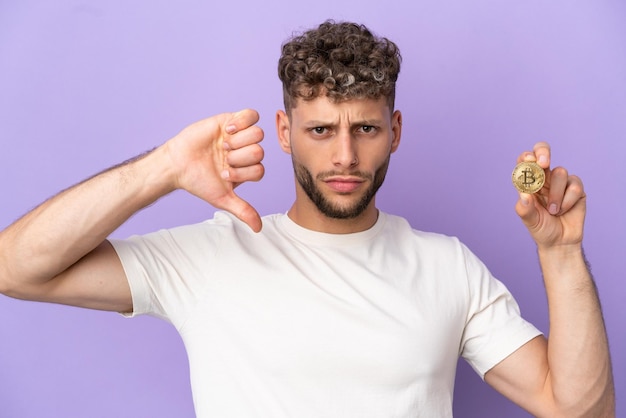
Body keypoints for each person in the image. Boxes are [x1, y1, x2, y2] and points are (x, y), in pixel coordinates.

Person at [0, 20, 614, 417]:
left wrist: (560, 254)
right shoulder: (208, 258)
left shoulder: (446, 266)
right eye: (321, 130)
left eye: (365, 129)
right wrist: (160, 169)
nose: (344, 156)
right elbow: (16, 268)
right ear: (285, 131)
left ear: (394, 131)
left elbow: (580, 410)